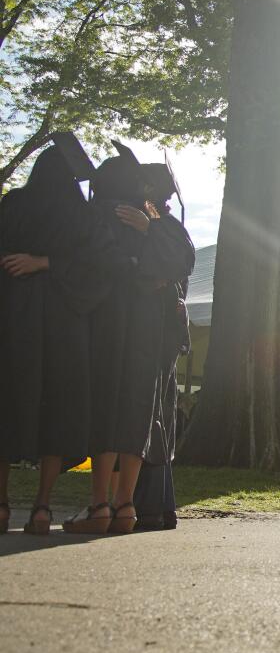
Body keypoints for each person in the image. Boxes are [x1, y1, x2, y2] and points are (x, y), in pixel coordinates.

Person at [64, 142, 195, 534]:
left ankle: (111, 504)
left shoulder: (147, 220)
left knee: (125, 410)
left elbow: (174, 266)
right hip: (148, 329)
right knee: (142, 412)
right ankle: (130, 507)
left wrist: (140, 257)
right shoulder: (152, 221)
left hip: (127, 327)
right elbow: (173, 266)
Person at [0, 136, 115, 534]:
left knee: (8, 403)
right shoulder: (85, 216)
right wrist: (50, 263)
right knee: (58, 408)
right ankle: (42, 507)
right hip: (65, 324)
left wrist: (33, 262)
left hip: (14, 321)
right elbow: (102, 271)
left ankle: (0, 505)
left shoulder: (13, 205)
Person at [131, 161, 194, 531]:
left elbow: (178, 264)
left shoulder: (166, 228)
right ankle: (156, 505)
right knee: (154, 413)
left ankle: (154, 505)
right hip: (155, 331)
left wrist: (149, 232)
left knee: (153, 413)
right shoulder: (161, 226)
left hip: (160, 334)